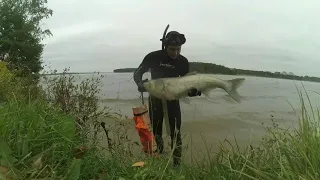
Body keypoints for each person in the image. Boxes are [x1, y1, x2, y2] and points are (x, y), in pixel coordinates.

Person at [133, 30, 201, 167]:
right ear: (165, 46)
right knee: (156, 132)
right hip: (155, 99)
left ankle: (177, 165)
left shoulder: (182, 62)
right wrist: (140, 83)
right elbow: (138, 72)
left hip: (172, 100)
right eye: (172, 49)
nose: (175, 53)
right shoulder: (153, 57)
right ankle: (159, 160)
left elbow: (187, 84)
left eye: (178, 49)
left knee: (176, 133)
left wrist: (192, 92)